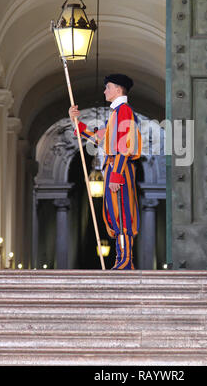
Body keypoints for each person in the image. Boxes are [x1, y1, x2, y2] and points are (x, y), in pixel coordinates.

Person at [69, 74, 142, 270]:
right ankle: (121, 258)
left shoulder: (124, 111)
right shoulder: (116, 114)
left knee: (122, 213)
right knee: (114, 213)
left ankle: (126, 260)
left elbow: (123, 146)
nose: (104, 91)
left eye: (107, 87)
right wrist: (76, 122)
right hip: (112, 167)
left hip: (120, 168)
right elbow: (99, 139)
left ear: (118, 90)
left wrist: (116, 174)